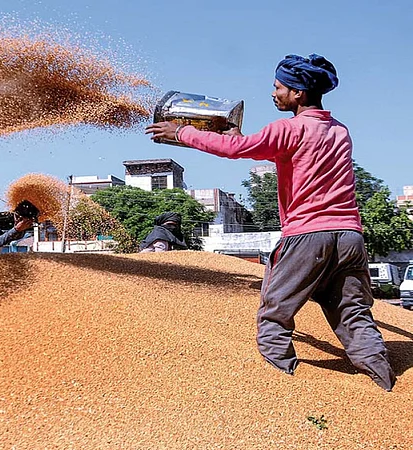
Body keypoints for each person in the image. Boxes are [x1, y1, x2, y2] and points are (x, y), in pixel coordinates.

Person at [146, 54, 396, 391]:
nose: (274, 93)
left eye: (279, 88)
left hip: (308, 236)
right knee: (353, 312)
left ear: (298, 93)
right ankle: (383, 381)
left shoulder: (288, 128)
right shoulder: (339, 131)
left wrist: (181, 132)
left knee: (275, 312)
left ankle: (280, 386)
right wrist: (237, 135)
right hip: (350, 237)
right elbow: (265, 148)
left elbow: (236, 150)